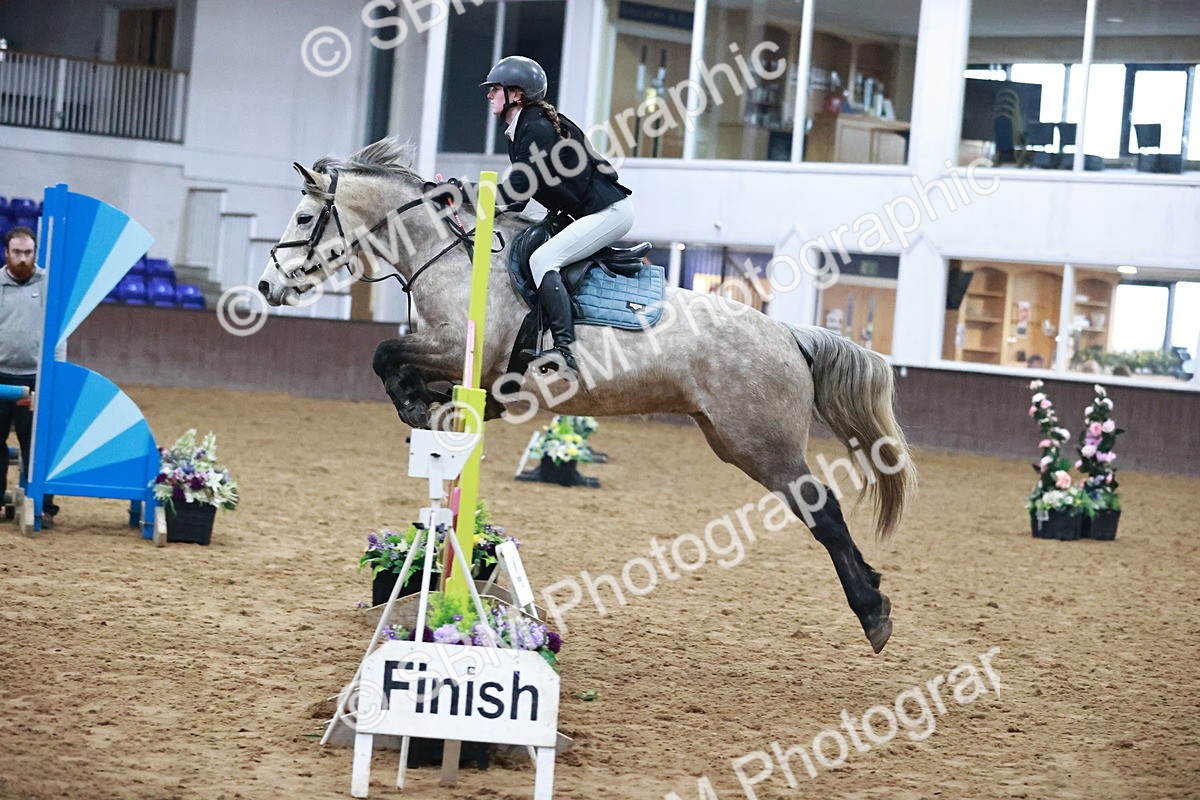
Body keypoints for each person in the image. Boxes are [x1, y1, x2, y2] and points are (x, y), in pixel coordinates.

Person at [481, 55, 635, 381]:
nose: (489, 95)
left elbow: (516, 189)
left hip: (608, 213)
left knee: (542, 260)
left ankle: (566, 351)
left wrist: (465, 194)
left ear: (516, 95)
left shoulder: (535, 128)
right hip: (588, 213)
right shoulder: (525, 126)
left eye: (496, 89)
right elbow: (520, 200)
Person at [1, 226, 58, 526]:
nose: (23, 259)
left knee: (35, 444)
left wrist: (53, 376)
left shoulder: (49, 283)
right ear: (6, 253)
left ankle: (44, 507)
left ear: (35, 253)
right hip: (0, 377)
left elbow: (58, 334)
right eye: (17, 252)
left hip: (35, 378)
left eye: (28, 252)